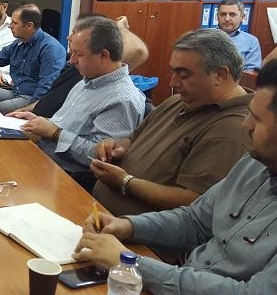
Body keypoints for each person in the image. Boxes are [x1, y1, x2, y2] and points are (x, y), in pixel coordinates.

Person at [73, 60, 277, 294]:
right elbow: (194, 221)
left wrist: (133, 265)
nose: (246, 124)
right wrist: (128, 226)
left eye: (257, 119)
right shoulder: (253, 165)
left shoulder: (235, 140)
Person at [91, 28, 252, 218]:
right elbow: (133, 139)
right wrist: (115, 148)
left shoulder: (231, 129)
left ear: (220, 75)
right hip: (98, 211)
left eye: (184, 75)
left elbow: (193, 201)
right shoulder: (180, 101)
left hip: (131, 230)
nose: (172, 83)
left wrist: (125, 182)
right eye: (174, 72)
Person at [9, 17, 146, 191]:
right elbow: (67, 125)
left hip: (68, 181)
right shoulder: (86, 81)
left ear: (104, 55)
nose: (72, 60)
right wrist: (40, 122)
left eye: (78, 54)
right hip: (44, 160)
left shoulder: (121, 99)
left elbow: (100, 159)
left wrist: (54, 133)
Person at [20, 14, 149, 117]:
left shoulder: (89, 67)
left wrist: (119, 28)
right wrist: (23, 112)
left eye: (74, 32)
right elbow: (50, 100)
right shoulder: (76, 68)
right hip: (38, 123)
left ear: (103, 55)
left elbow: (139, 50)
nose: (68, 37)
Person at [216, 0, 261, 71]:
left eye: (232, 15)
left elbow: (251, 72)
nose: (227, 19)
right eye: (223, 14)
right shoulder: (204, 37)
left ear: (242, 17)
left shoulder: (251, 41)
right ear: (217, 16)